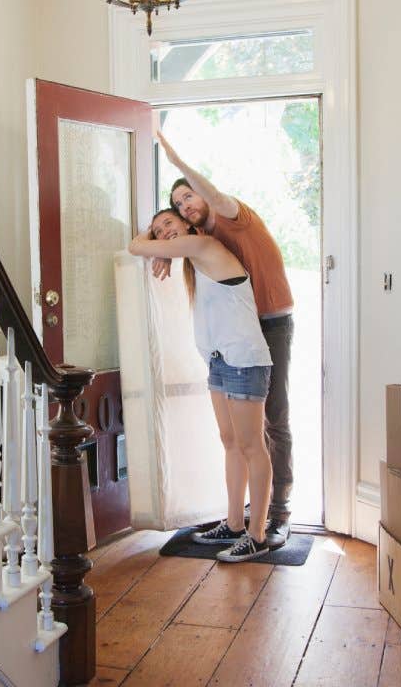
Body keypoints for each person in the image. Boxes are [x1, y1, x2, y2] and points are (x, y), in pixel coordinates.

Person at [154, 131, 295, 548]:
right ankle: (245, 516)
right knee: (239, 434)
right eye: (178, 205)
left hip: (272, 322)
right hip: (239, 333)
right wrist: (167, 247)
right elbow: (180, 242)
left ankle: (277, 513)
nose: (186, 205)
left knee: (274, 418)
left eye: (188, 197)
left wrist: (179, 164)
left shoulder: (233, 215)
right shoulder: (205, 240)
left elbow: (211, 197)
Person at [129, 207, 274, 563]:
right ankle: (235, 523)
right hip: (221, 360)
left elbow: (135, 247)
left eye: (168, 224)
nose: (163, 232)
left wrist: (153, 246)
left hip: (244, 359)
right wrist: (163, 249)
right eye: (157, 229)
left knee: (251, 445)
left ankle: (257, 535)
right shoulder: (193, 260)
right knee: (230, 442)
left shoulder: (205, 246)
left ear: (189, 225)